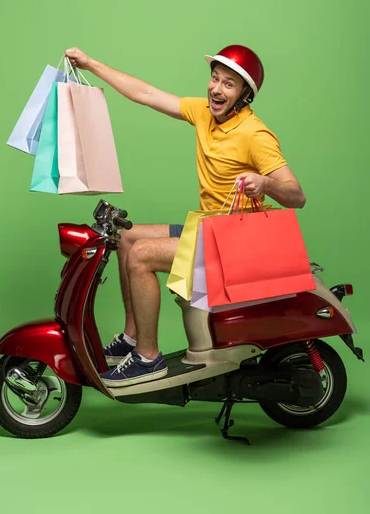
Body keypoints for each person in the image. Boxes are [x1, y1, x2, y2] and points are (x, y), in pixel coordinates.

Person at [65, 45, 306, 388]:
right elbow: (146, 93)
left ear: (244, 96)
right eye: (214, 79)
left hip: (237, 243)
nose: (216, 89)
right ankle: (133, 338)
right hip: (209, 228)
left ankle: (148, 359)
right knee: (126, 237)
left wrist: (265, 182)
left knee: (141, 255)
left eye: (228, 84)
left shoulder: (255, 134)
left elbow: (297, 196)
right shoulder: (203, 112)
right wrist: (90, 64)